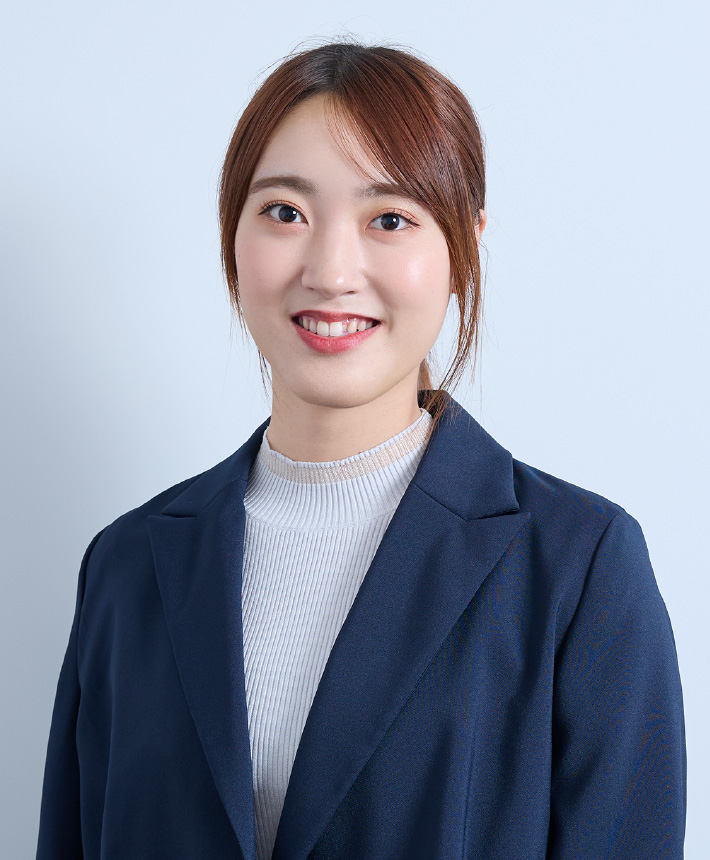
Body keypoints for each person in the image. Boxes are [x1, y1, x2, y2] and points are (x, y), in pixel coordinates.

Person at [36, 41, 686, 860]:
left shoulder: (579, 567)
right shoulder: (126, 566)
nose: (332, 272)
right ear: (231, 235)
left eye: (389, 219)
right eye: (284, 213)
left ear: (464, 248)